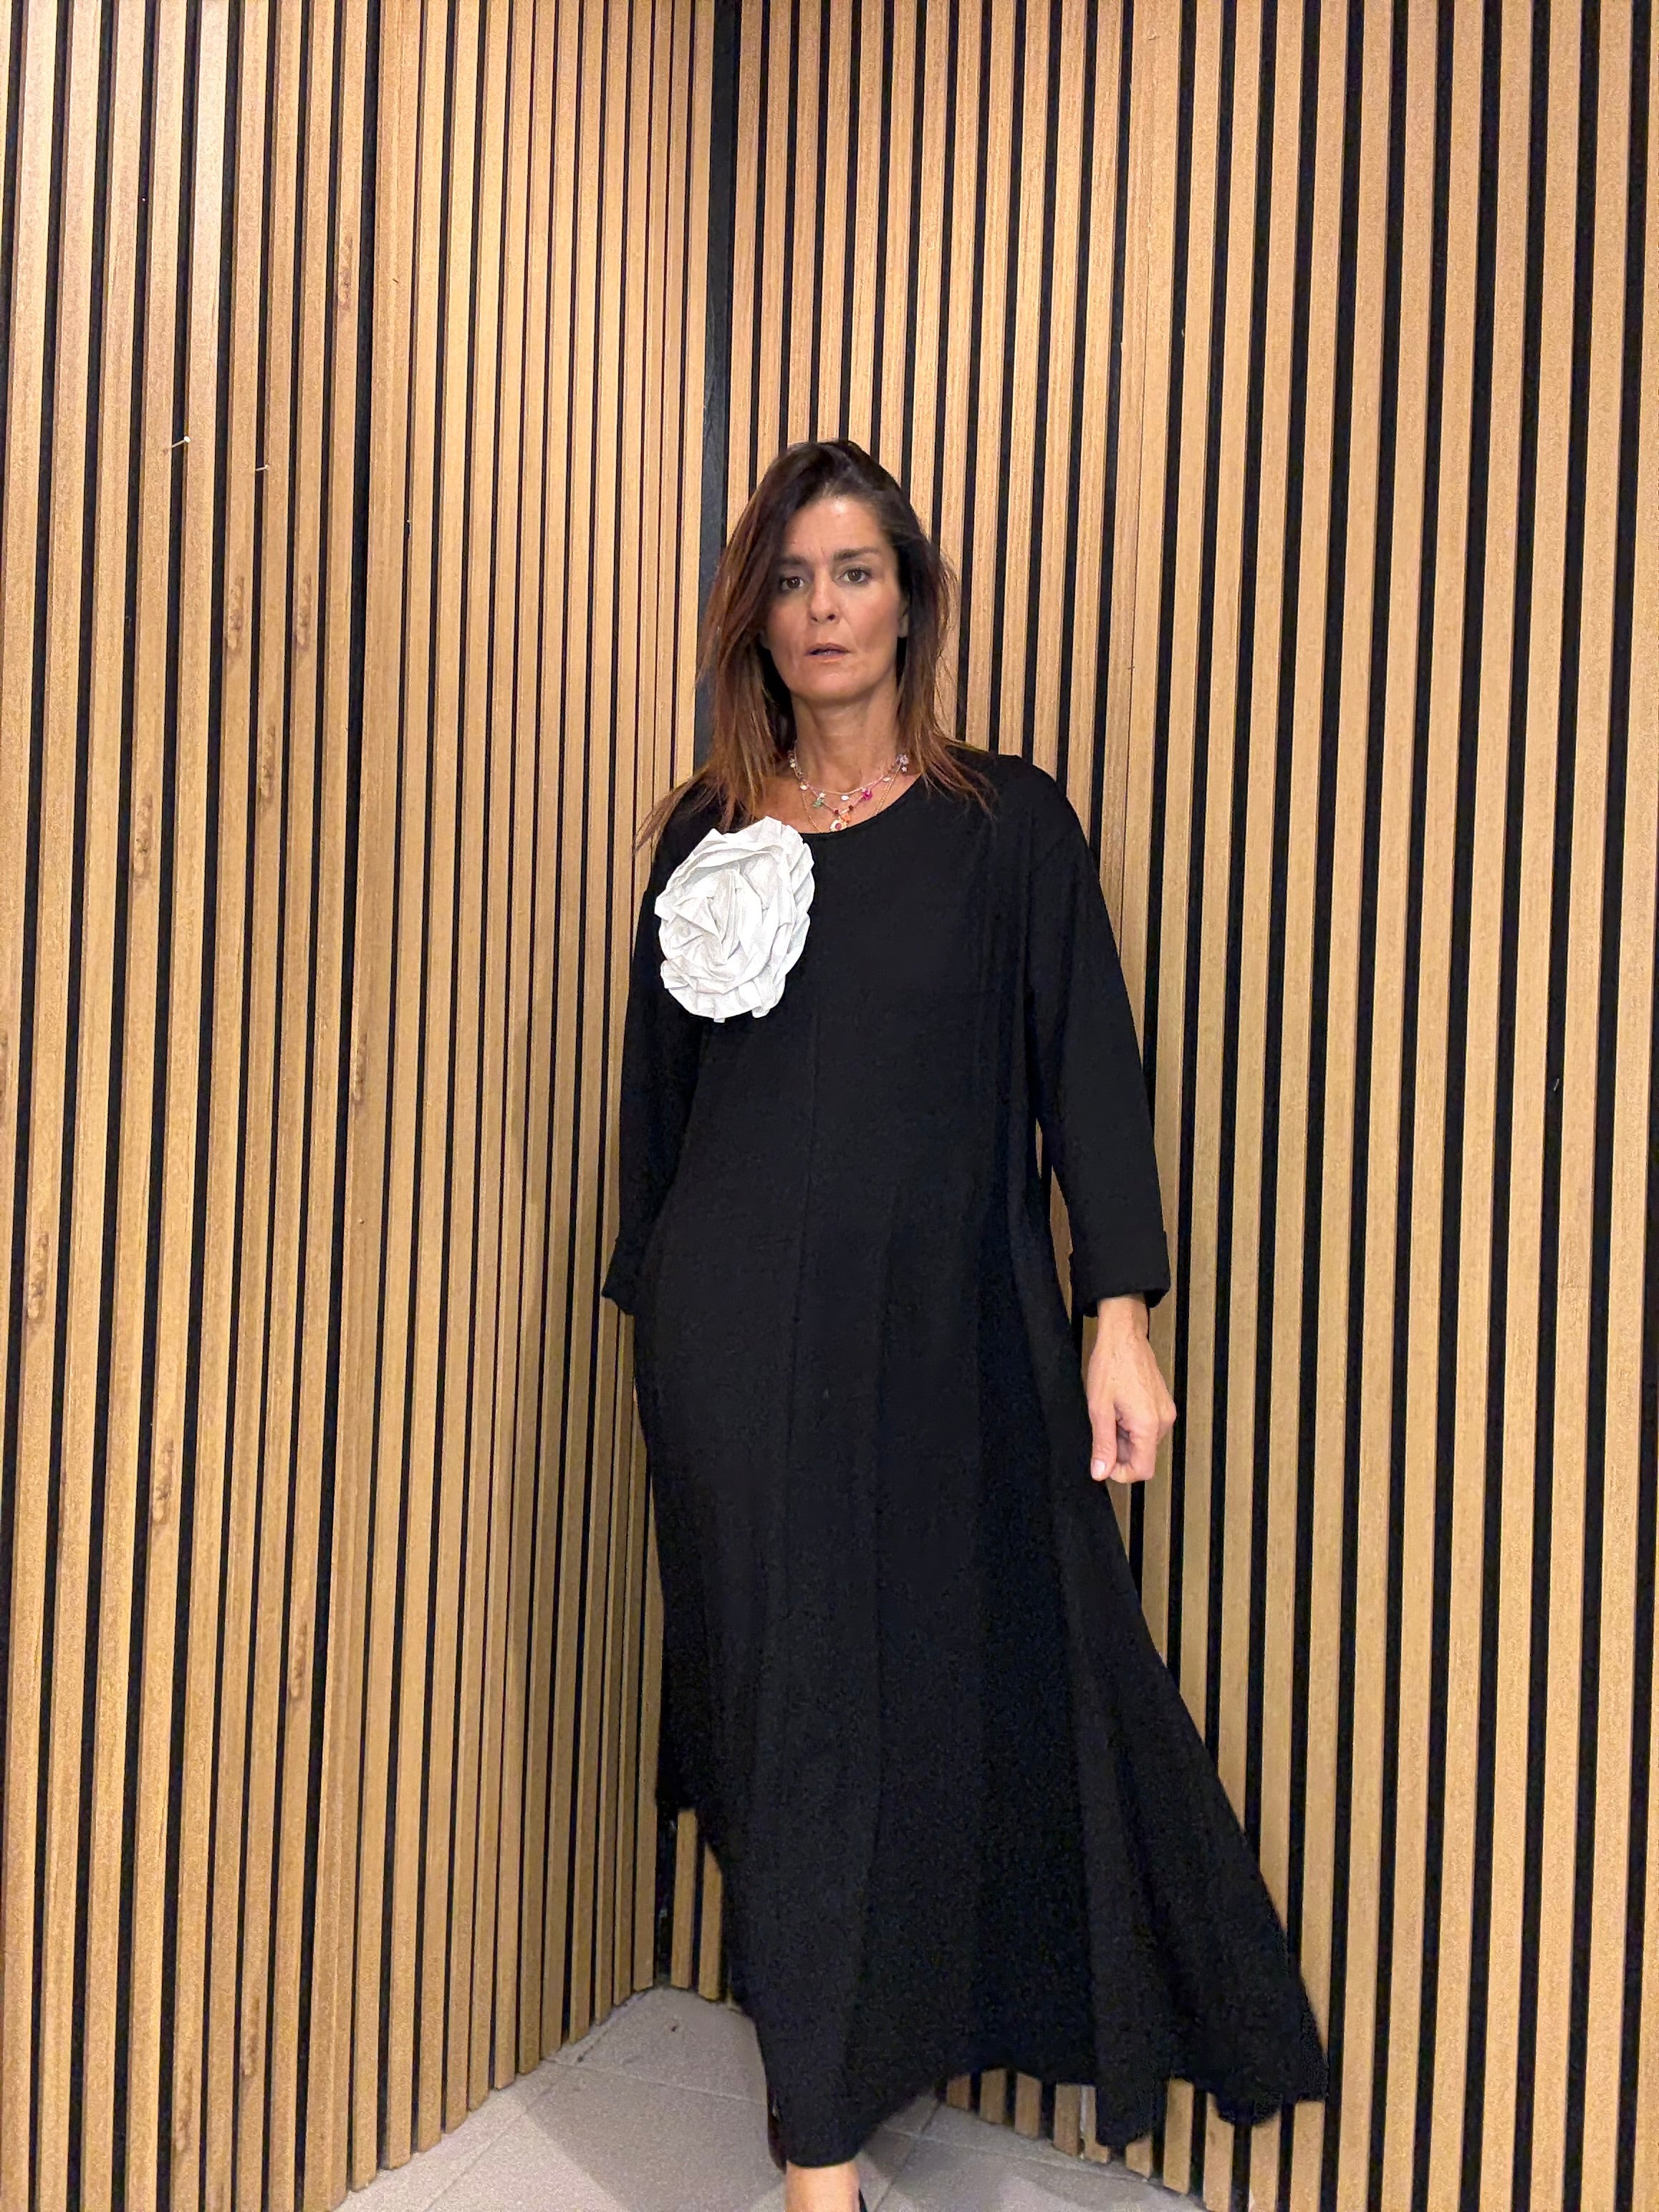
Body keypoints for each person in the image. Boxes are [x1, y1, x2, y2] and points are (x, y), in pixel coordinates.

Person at [601, 440, 1327, 2212]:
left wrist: (1119, 1312)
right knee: (791, 1703)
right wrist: (663, 1306)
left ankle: (883, 2049)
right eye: (790, 578)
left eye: (854, 572)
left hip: (946, 1348)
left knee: (938, 1688)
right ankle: (819, 2156)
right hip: (736, 1350)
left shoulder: (1010, 825)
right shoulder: (708, 835)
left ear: (912, 601)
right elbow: (658, 1111)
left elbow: (1092, 1076)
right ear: (752, 616)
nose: (822, 608)